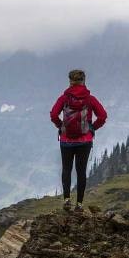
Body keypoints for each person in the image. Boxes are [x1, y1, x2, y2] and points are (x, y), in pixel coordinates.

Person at [50, 69, 107, 212]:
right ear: (84, 81)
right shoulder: (90, 99)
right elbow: (103, 116)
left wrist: (61, 126)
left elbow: (53, 114)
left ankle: (67, 200)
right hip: (85, 141)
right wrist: (92, 128)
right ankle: (79, 204)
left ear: (70, 81)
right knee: (81, 171)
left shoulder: (64, 98)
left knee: (66, 169)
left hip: (66, 141)